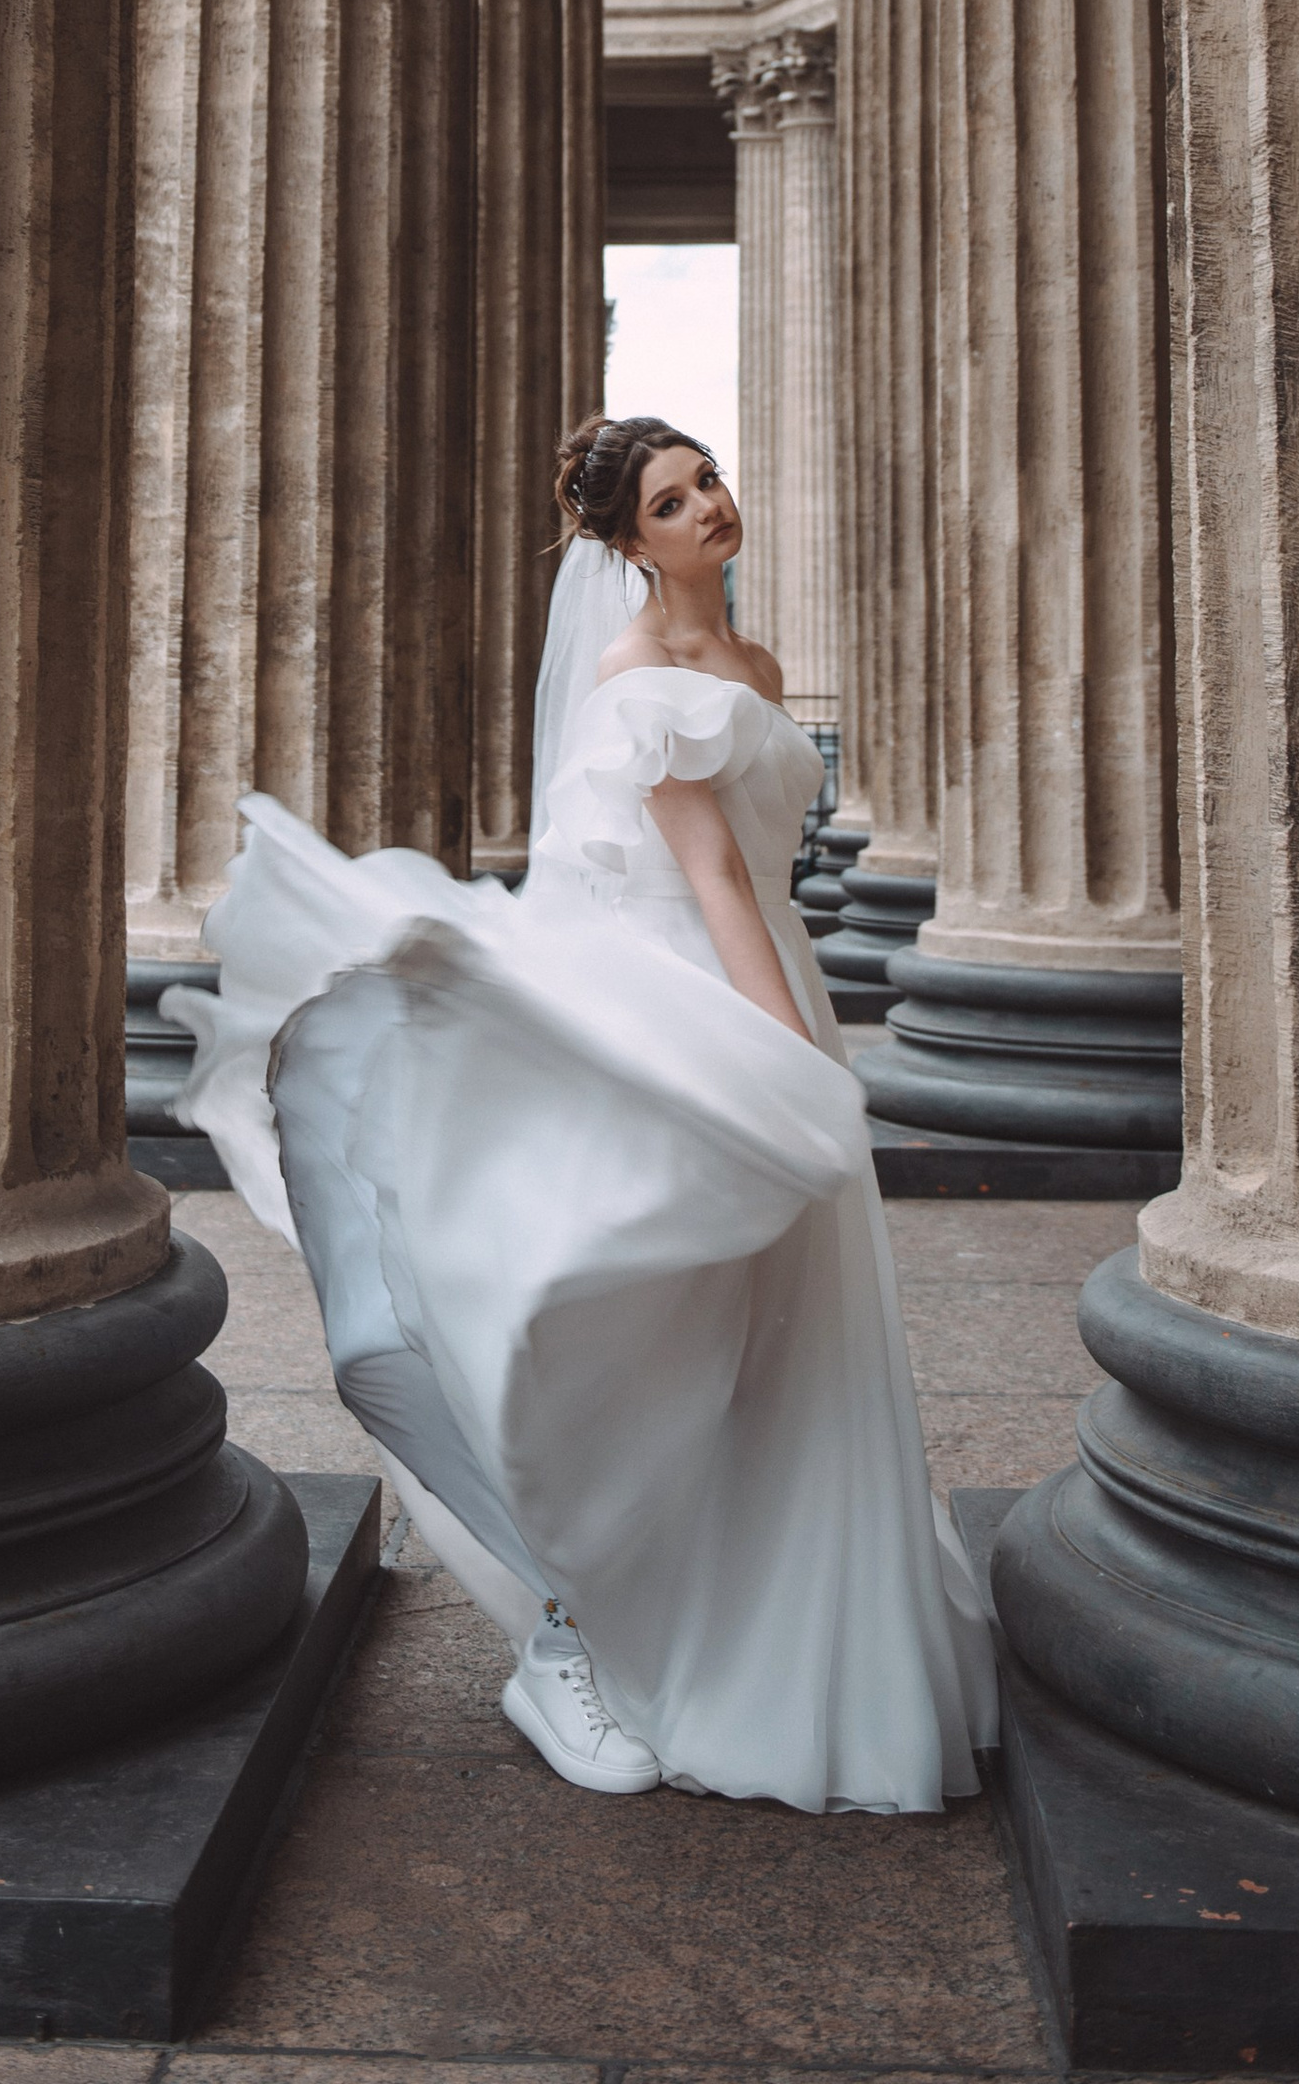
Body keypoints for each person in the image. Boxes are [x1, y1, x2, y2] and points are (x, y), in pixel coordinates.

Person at [172, 411, 997, 1816]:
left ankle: (752, 1616)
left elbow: (768, 881)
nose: (707, 510)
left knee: (791, 1330)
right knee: (667, 1311)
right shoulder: (639, 678)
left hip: (767, 968)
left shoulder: (754, 664)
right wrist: (797, 1063)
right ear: (627, 544)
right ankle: (583, 1621)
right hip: (710, 990)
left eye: (710, 481)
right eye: (673, 503)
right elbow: (717, 886)